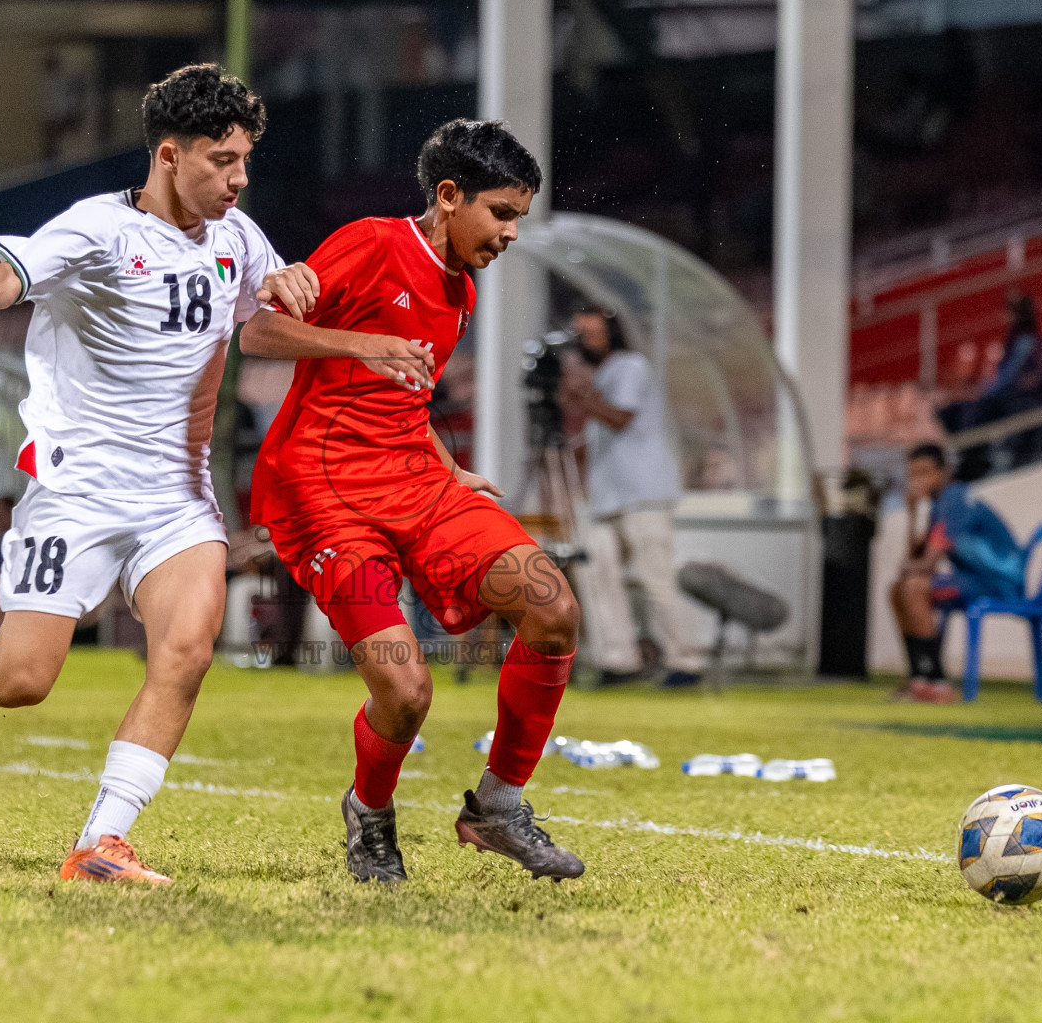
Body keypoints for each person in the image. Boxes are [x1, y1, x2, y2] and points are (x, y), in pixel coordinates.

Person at [0, 64, 317, 885]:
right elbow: (16, 276)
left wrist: (285, 287)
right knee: (21, 681)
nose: (239, 177)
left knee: (186, 650)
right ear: (170, 156)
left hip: (177, 501)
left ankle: (102, 840)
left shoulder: (239, 237)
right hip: (76, 491)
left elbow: (267, 307)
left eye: (246, 158)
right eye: (222, 160)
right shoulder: (98, 230)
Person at [243, 118, 585, 885]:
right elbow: (261, 335)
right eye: (501, 213)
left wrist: (449, 467)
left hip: (417, 483)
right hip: (326, 493)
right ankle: (370, 815)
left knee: (552, 607)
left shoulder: (457, 286)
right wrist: (362, 343)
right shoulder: (370, 242)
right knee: (406, 690)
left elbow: (406, 396)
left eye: (519, 219)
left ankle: (497, 806)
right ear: (449, 195)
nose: (511, 234)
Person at [562, 303, 704, 687]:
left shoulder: (630, 367)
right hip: (607, 495)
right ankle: (617, 660)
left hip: (642, 492)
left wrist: (581, 396)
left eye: (590, 333)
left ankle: (686, 660)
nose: (583, 341)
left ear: (611, 332)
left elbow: (620, 417)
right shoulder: (601, 374)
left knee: (654, 577)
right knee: (597, 574)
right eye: (580, 334)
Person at [890, 443, 1024, 703]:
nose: (918, 480)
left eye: (924, 472)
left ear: (943, 472)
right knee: (898, 589)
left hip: (996, 583)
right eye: (913, 474)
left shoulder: (955, 498)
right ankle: (919, 676)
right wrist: (911, 512)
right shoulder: (938, 506)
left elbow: (926, 564)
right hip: (971, 581)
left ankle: (938, 682)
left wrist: (911, 569)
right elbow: (914, 559)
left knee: (915, 586)